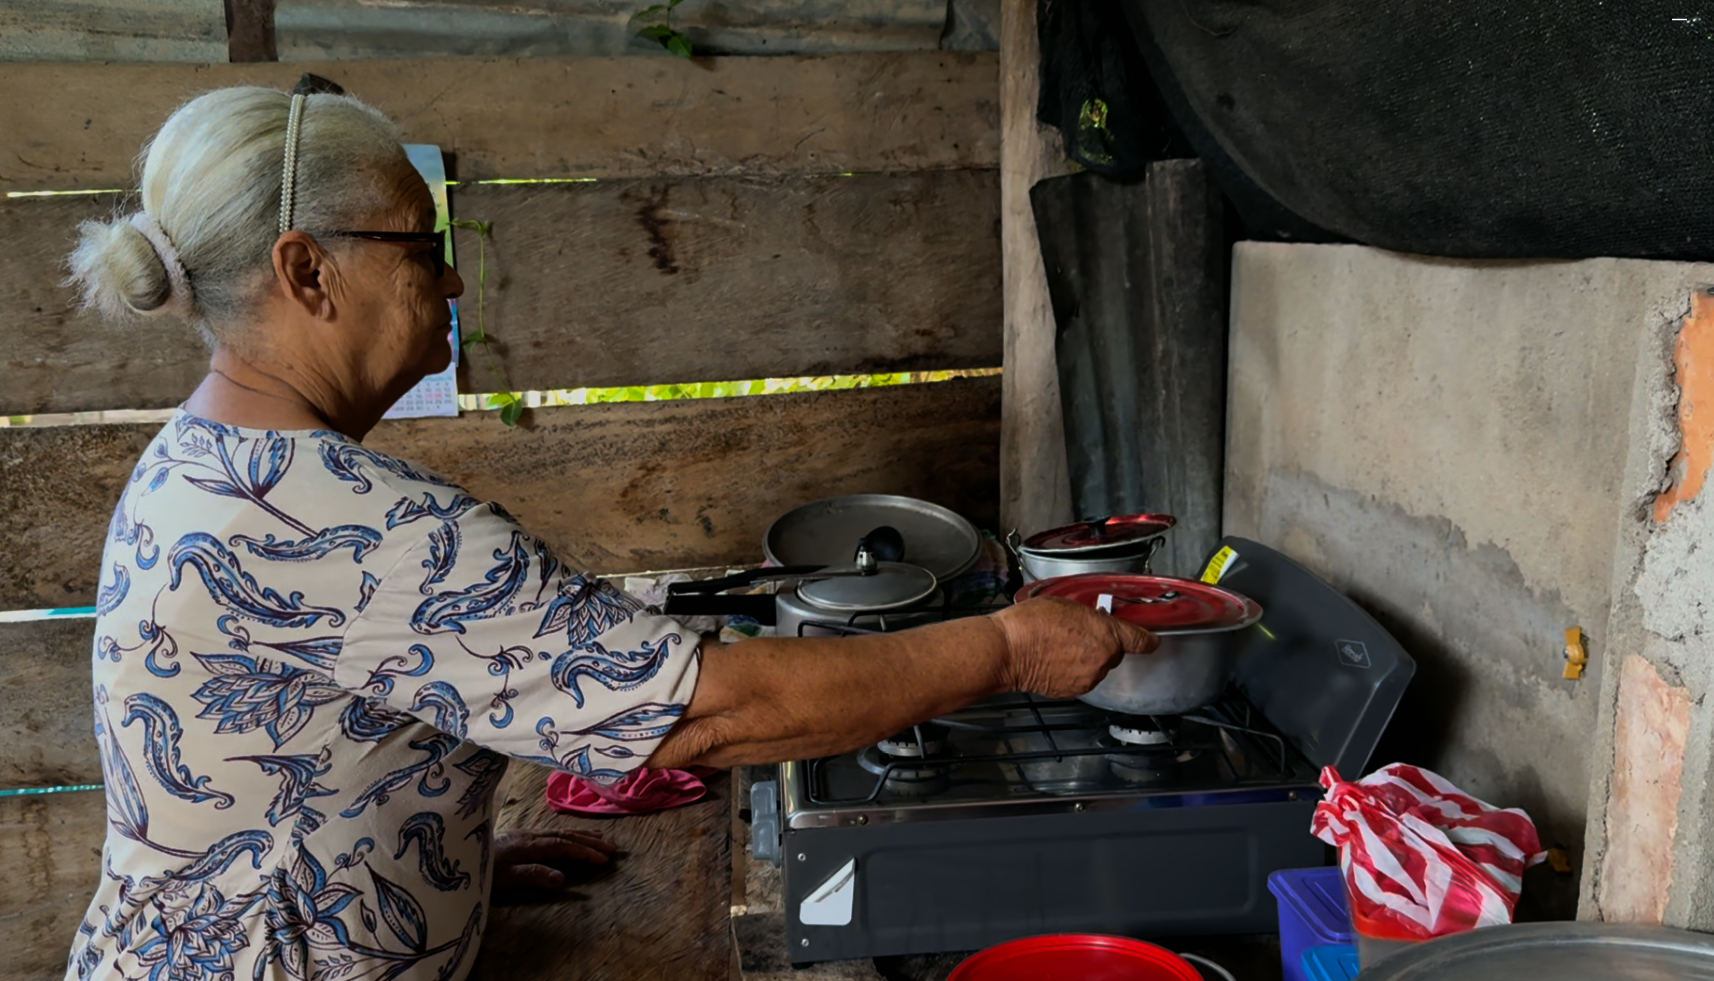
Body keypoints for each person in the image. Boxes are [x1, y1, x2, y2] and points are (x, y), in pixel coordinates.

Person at [61, 77, 1157, 981]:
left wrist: (438, 850)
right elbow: (698, 721)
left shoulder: (208, 462)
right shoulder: (344, 520)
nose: (447, 278)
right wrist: (1006, 648)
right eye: (417, 245)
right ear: (307, 270)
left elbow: (303, 743)